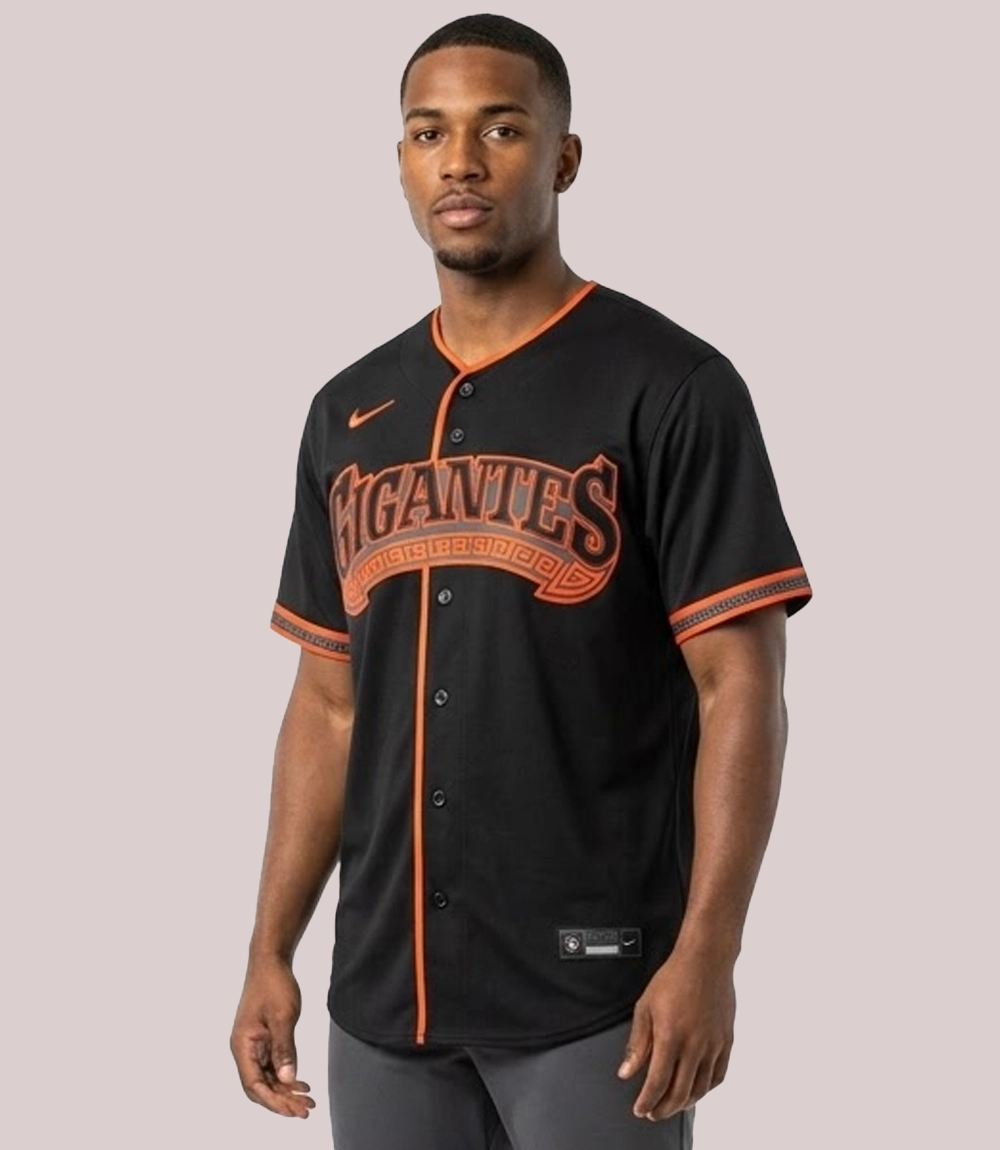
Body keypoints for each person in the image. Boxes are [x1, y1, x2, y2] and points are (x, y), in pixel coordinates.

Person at [230, 13, 813, 1149]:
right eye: (428, 132)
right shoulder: (347, 411)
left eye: (499, 129)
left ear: (563, 157)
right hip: (384, 991)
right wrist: (268, 947)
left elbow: (738, 686)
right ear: (401, 161)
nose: (460, 161)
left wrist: (709, 951)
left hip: (594, 986)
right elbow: (327, 704)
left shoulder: (671, 385)